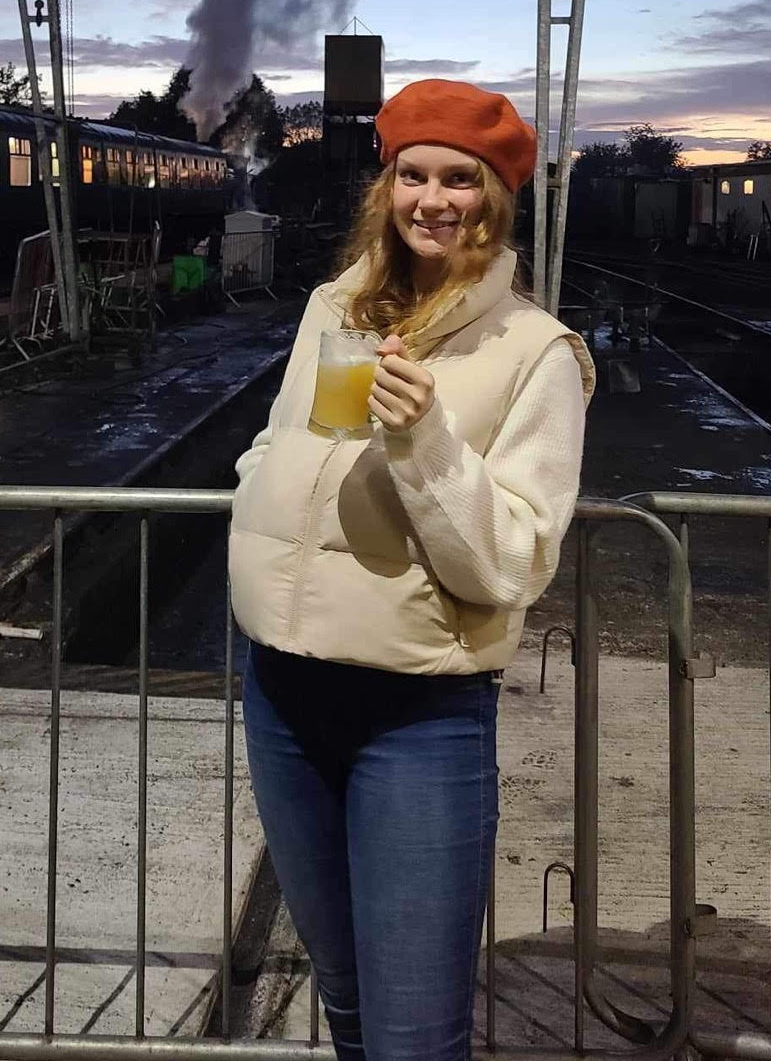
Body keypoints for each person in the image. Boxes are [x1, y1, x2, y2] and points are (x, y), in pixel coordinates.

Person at [228, 78, 594, 1061]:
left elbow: (510, 562)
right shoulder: (332, 307)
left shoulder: (536, 353)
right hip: (280, 693)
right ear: (386, 187)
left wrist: (425, 437)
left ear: (495, 197)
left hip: (415, 715)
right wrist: (253, 520)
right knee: (345, 1001)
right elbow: (278, 447)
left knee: (412, 1036)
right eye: (413, 174)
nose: (432, 198)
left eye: (459, 180)